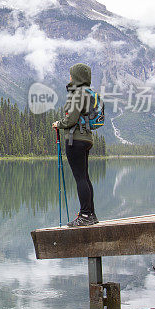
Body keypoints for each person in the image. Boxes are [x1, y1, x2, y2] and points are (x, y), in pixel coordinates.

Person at [52, 63, 98, 227]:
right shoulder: (87, 93)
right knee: (85, 177)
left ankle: (85, 215)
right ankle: (91, 215)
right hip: (86, 139)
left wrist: (59, 124)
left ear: (76, 76)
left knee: (80, 178)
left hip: (74, 140)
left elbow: (71, 119)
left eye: (71, 75)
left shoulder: (77, 93)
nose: (69, 77)